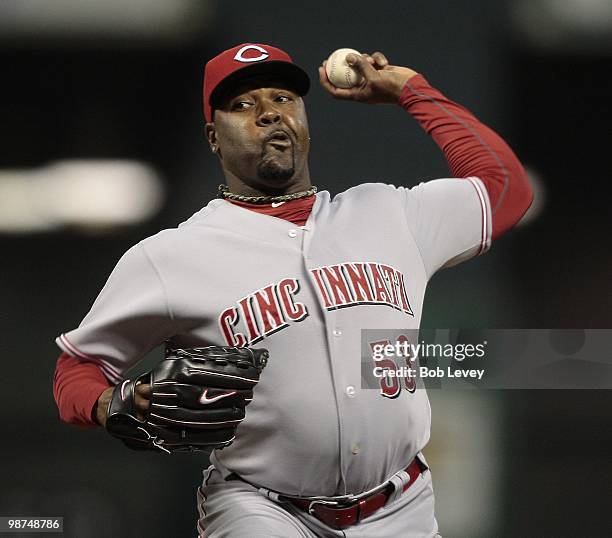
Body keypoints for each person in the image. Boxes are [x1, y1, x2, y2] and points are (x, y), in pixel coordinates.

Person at [53, 43, 532, 537]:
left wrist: (412, 91)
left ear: (304, 117)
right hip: (261, 509)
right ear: (213, 137)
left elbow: (505, 188)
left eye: (283, 98)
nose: (268, 114)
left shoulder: (391, 214)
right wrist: (116, 404)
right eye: (242, 105)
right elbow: (77, 369)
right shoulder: (171, 257)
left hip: (401, 508)